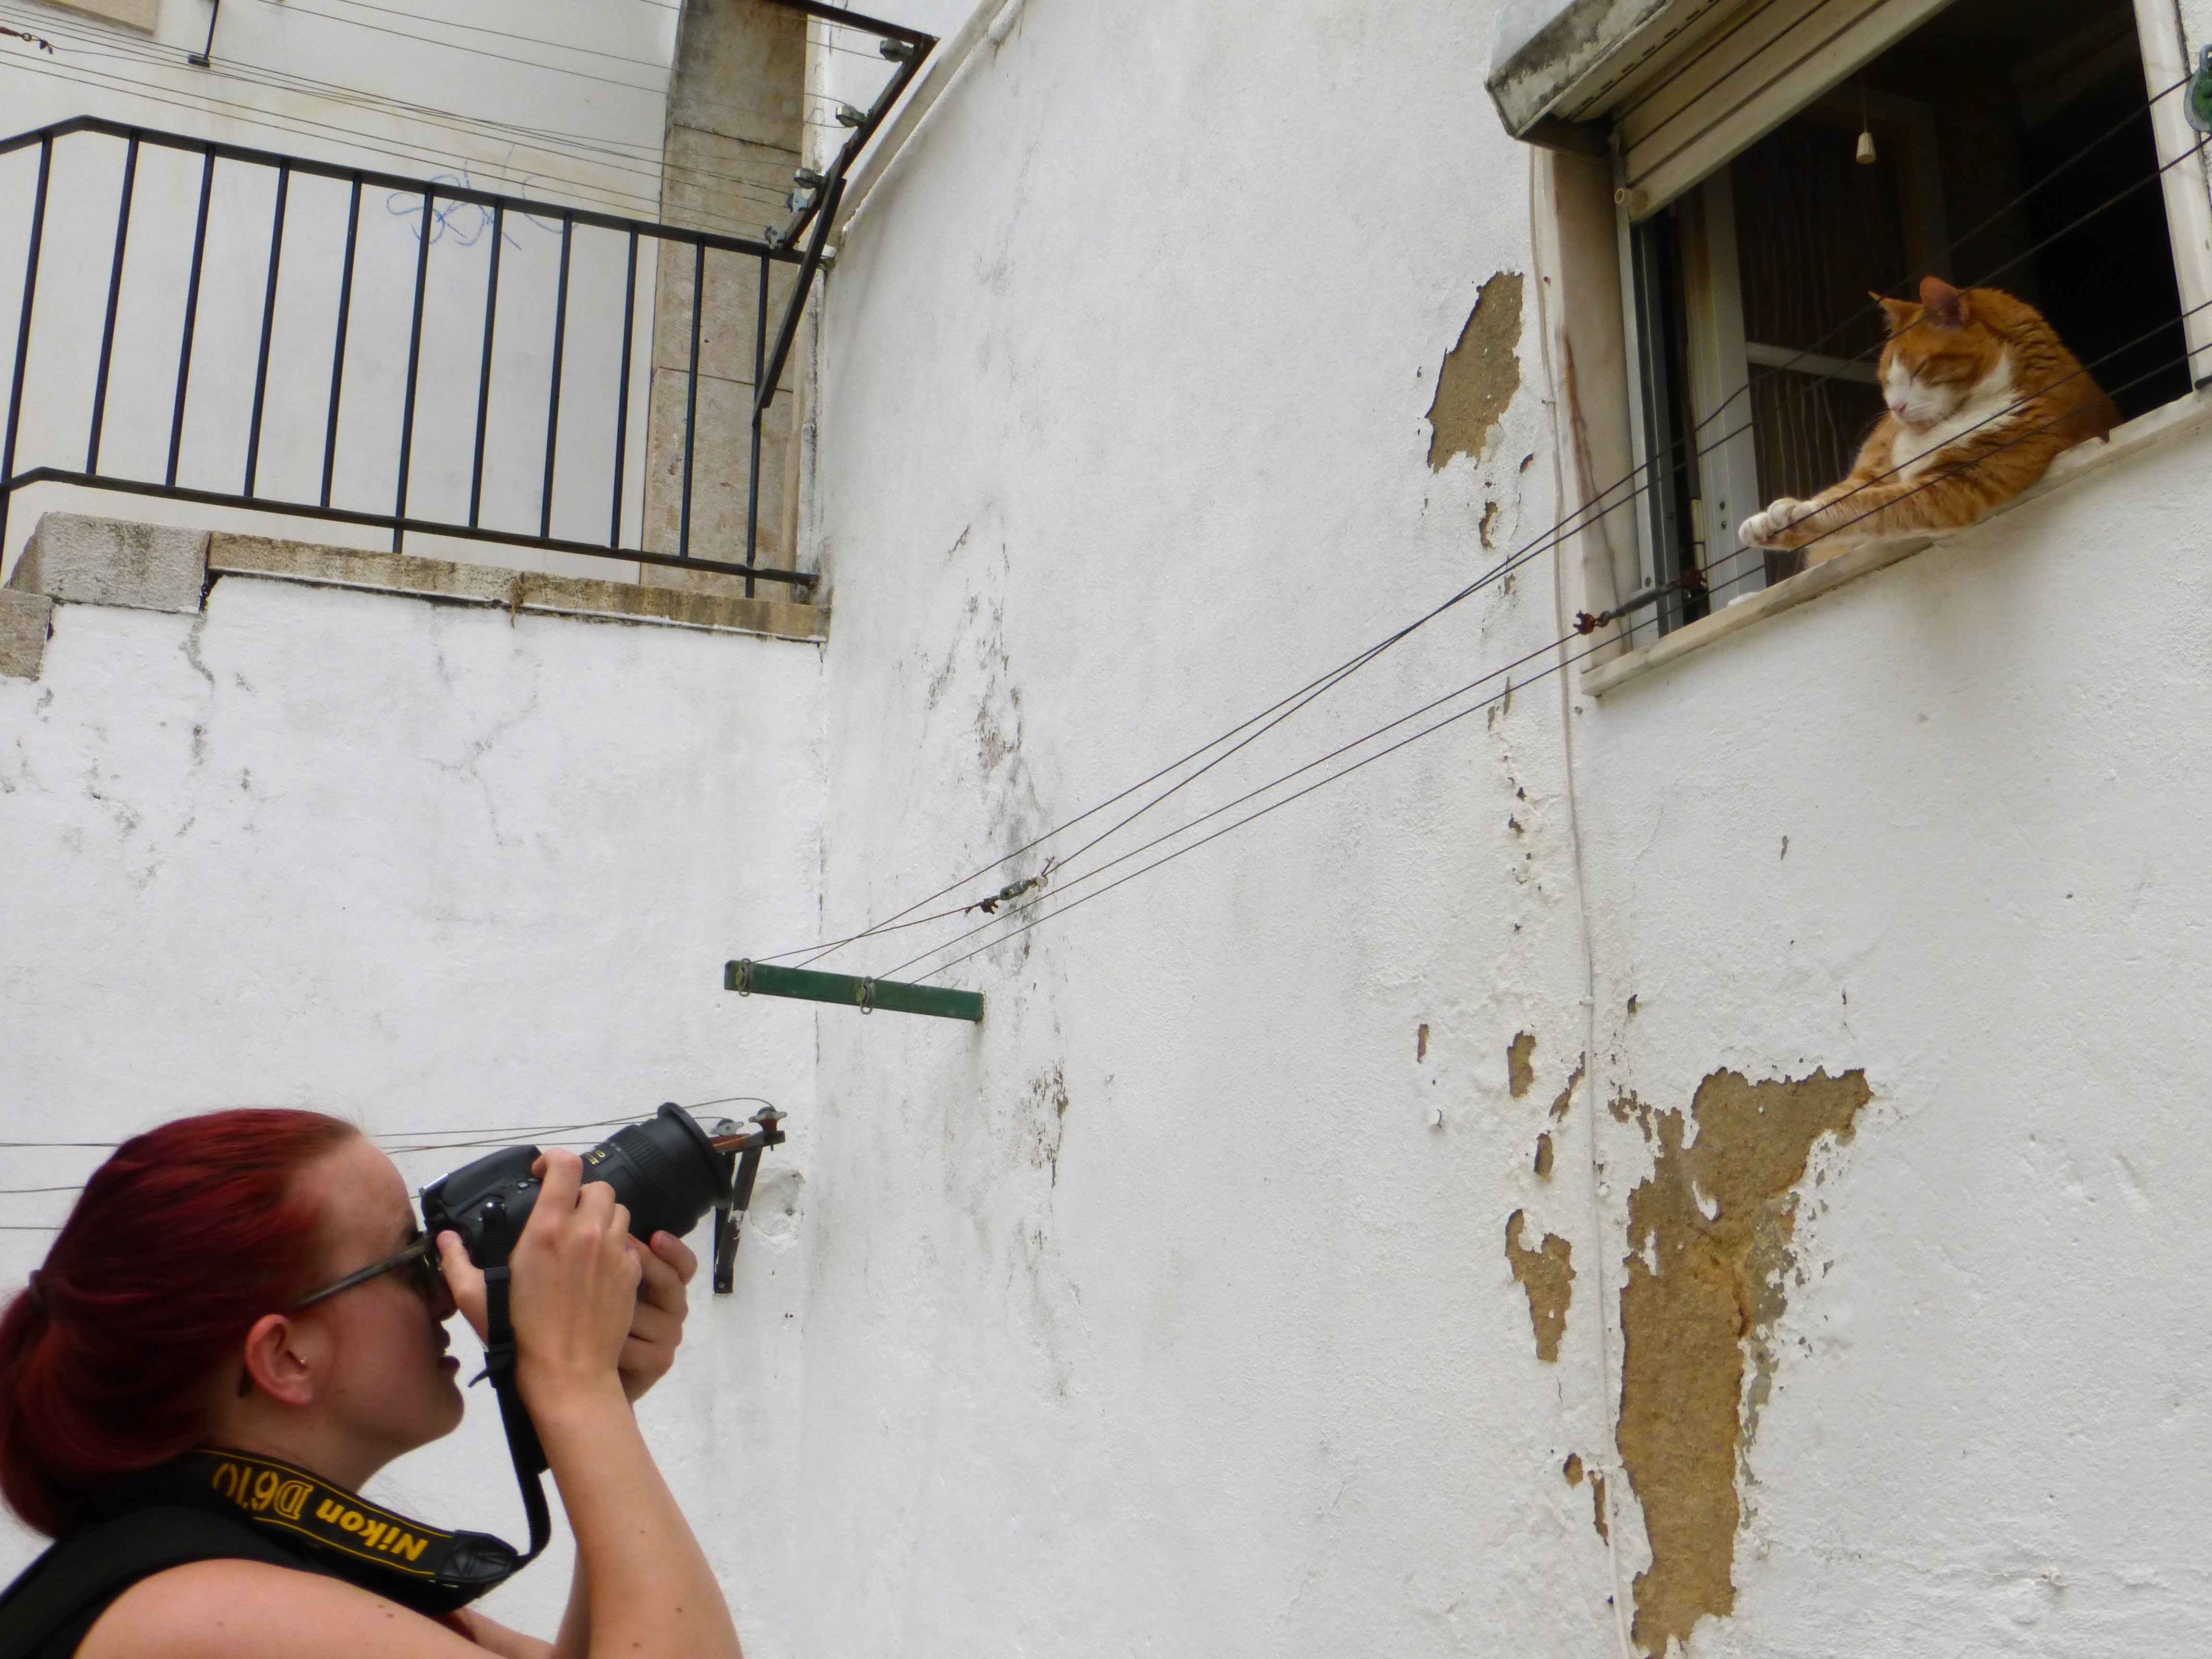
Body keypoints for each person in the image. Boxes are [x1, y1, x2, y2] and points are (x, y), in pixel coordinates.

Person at [0, 1108, 742, 1659]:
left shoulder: (219, 1571)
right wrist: (574, 1386)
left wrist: (594, 1400)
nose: (450, 1294)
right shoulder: (200, 1614)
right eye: (410, 1259)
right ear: (286, 1357)